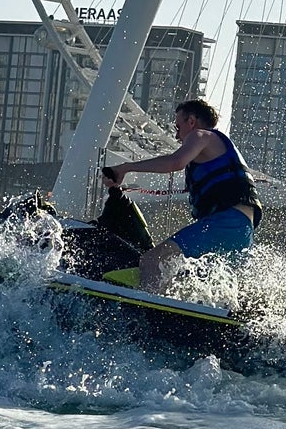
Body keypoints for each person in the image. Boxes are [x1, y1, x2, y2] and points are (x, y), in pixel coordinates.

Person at [104, 98, 261, 292]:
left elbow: (175, 162)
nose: (177, 136)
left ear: (192, 121)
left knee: (154, 260)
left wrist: (125, 168)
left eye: (178, 127)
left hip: (226, 222)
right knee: (188, 279)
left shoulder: (202, 135)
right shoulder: (218, 149)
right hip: (242, 230)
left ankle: (147, 312)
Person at [64, 168, 153, 286]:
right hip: (140, 260)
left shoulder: (118, 202)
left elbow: (105, 225)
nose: (101, 180)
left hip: (135, 267)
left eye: (103, 177)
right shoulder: (118, 201)